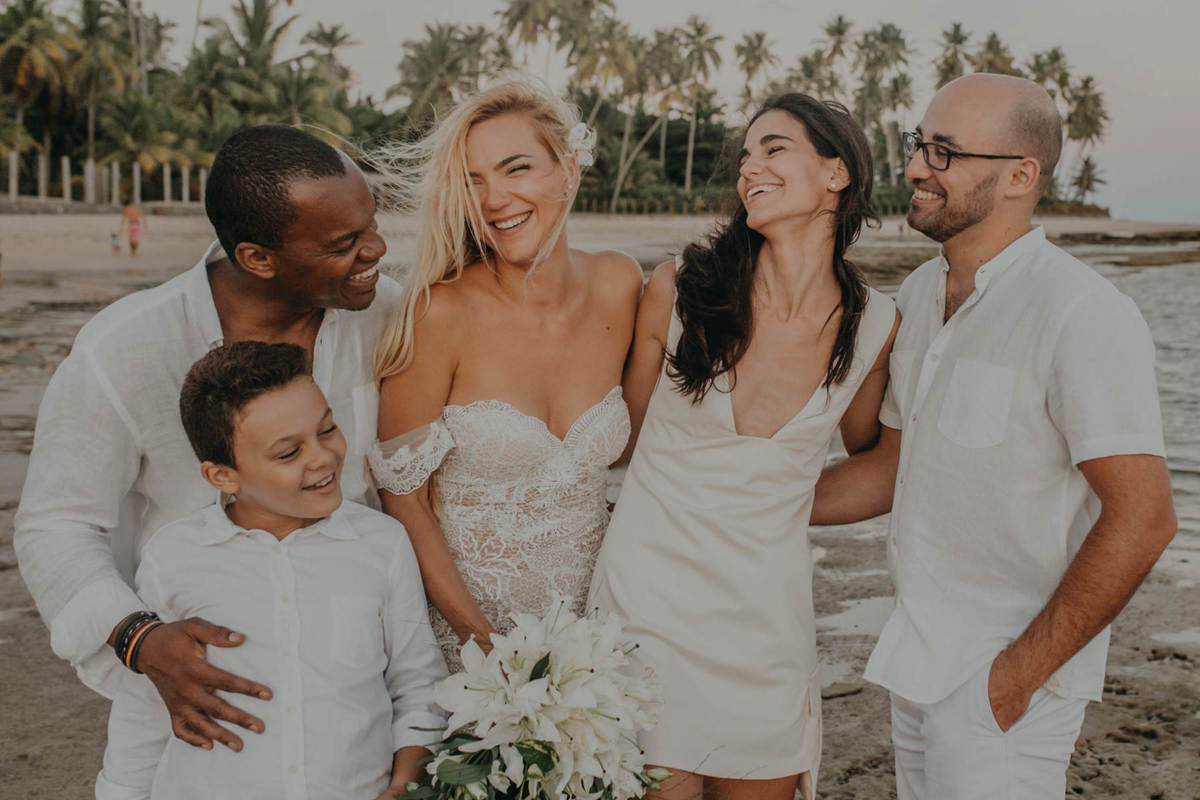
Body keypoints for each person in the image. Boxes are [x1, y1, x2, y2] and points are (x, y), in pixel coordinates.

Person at [811, 74, 1177, 799]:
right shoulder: (918, 295)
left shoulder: (1081, 312)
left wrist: (1008, 685)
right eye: (920, 145)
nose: (915, 167)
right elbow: (894, 466)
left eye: (944, 152)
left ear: (1019, 176)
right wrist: (724, 496)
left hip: (1004, 684)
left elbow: (1144, 518)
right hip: (917, 656)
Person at [15, 124, 398, 756]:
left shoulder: (390, 314)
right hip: (202, 698)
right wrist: (141, 639)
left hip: (363, 689)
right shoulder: (124, 349)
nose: (378, 248)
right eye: (344, 242)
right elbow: (54, 525)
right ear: (257, 258)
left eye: (372, 222)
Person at [588, 93, 899, 800]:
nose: (749, 167)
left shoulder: (875, 325)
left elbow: (881, 465)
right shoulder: (679, 290)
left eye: (774, 148)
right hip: (646, 608)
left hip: (766, 626)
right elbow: (622, 442)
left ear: (837, 173)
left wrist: (776, 505)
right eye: (745, 155)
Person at [367, 79, 641, 670]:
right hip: (468, 649)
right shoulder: (438, 313)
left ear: (567, 171)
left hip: (599, 637)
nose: (494, 199)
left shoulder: (621, 285)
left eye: (516, 169)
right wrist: (485, 651)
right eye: (472, 181)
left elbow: (644, 447)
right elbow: (404, 502)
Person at [96, 341, 447, 800]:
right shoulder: (174, 556)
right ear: (224, 476)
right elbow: (145, 704)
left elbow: (417, 684)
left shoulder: (381, 544)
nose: (321, 457)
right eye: (288, 453)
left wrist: (405, 783)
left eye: (327, 430)